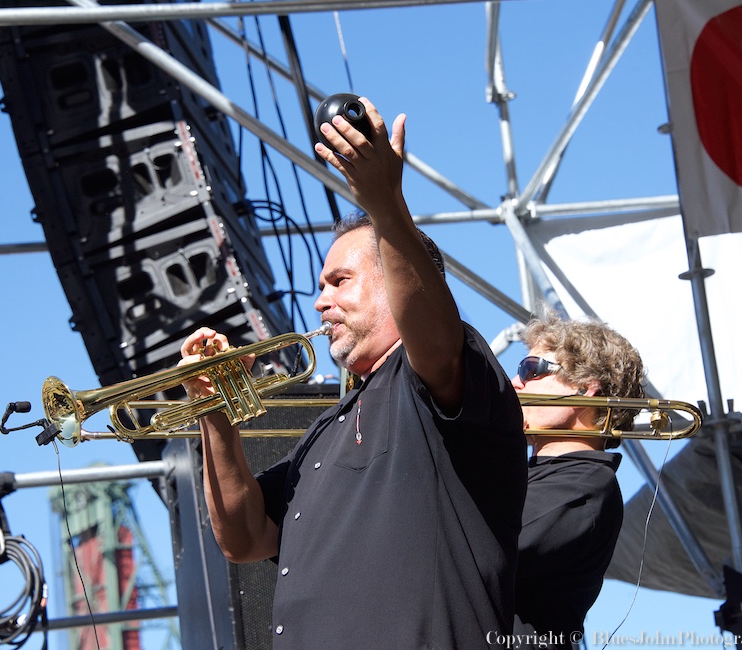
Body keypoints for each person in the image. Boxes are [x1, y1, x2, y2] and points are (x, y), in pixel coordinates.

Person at [178, 97, 527, 648]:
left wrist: (387, 206)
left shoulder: (437, 371)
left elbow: (435, 338)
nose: (320, 302)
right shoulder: (326, 429)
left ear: (393, 278)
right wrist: (214, 412)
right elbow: (244, 539)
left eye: (338, 281)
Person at [511, 308, 645, 650]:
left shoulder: (585, 485)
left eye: (531, 370)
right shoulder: (524, 474)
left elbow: (479, 540)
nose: (516, 383)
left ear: (586, 388)